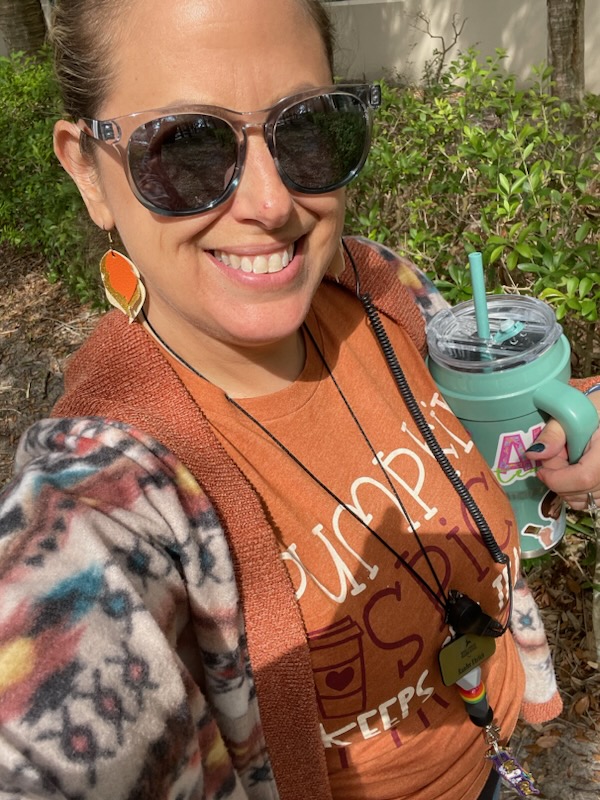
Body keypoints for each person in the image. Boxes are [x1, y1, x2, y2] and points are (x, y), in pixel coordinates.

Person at [0, 1, 599, 798]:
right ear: (87, 170)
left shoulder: (379, 287)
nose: (272, 203)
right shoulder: (100, 496)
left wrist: (558, 453)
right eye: (185, 145)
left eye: (307, 127)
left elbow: (474, 459)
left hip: (499, 755)